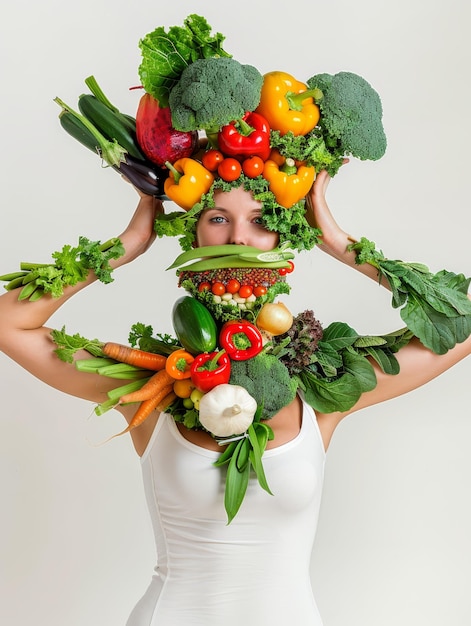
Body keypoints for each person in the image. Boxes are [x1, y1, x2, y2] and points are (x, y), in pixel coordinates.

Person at [0, 167, 470, 626]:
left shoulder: (323, 386)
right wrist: (128, 244)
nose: (240, 238)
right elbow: (8, 324)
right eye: (218, 218)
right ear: (194, 235)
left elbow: (461, 323)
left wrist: (338, 240)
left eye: (262, 220)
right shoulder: (151, 385)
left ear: (282, 237)